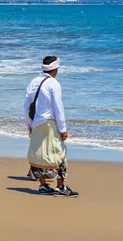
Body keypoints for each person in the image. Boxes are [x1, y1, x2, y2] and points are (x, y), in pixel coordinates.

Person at [24, 56, 78, 197]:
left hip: (36, 122)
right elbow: (58, 108)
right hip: (50, 123)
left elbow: (27, 105)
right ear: (55, 68)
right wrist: (63, 128)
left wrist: (29, 124)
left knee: (39, 155)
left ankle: (43, 186)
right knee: (60, 154)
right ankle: (61, 186)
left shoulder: (34, 81)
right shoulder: (54, 84)